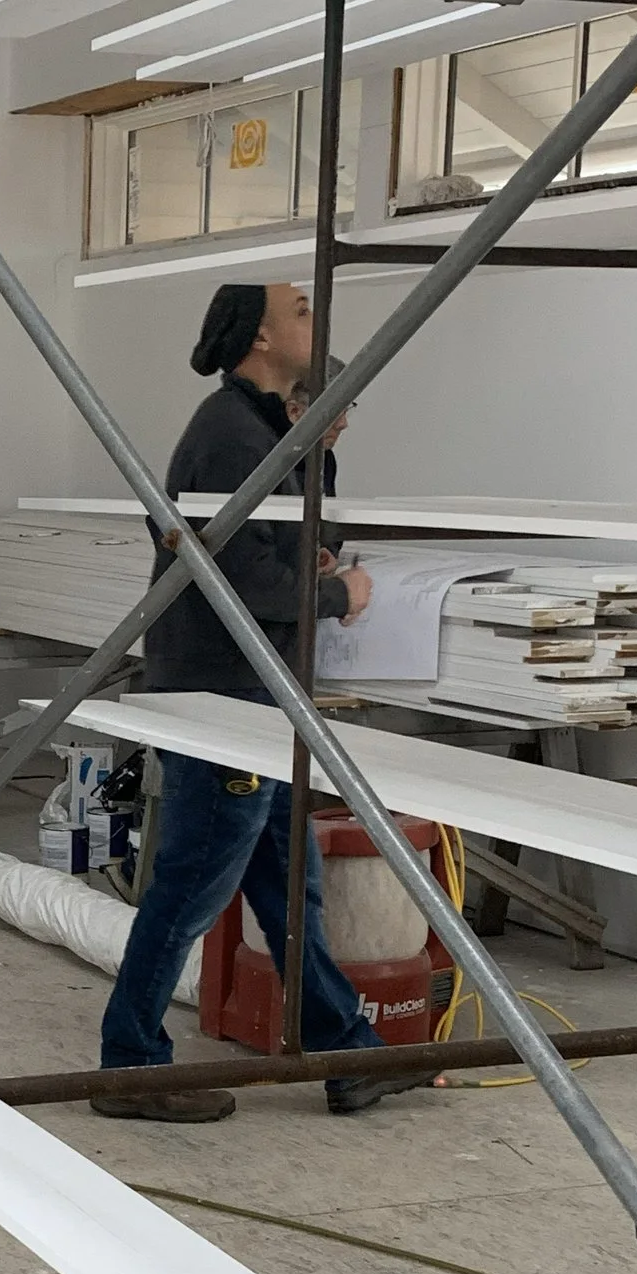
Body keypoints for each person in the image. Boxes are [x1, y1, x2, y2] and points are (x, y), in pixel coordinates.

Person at [96, 279, 397, 1125]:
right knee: (191, 886)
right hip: (225, 700)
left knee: (284, 883)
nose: (315, 319)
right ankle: (130, 1063)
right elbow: (237, 576)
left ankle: (345, 1047)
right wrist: (340, 596)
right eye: (300, 309)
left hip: (257, 699)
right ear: (260, 341)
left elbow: (271, 548)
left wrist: (320, 563)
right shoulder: (230, 432)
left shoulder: (261, 429)